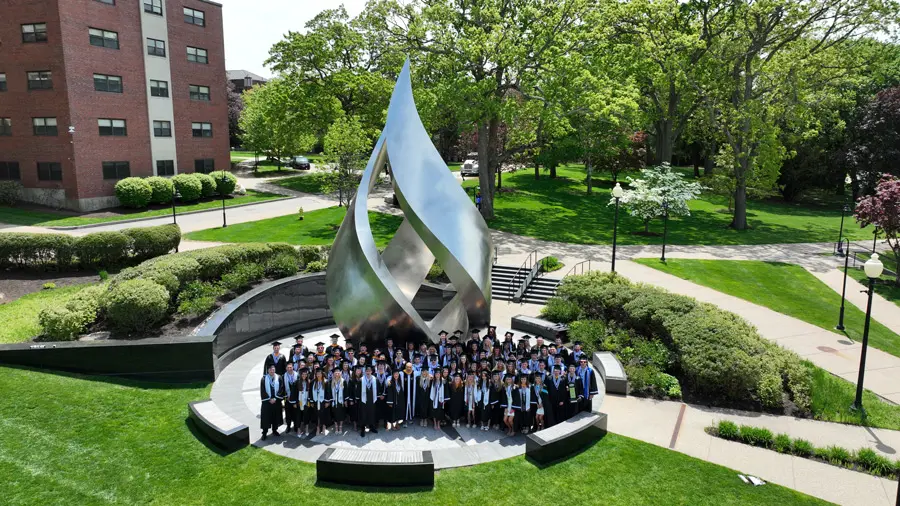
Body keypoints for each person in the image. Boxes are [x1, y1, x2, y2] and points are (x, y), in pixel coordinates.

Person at [259, 364, 283, 440]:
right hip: (267, 402)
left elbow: (281, 388)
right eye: (270, 370)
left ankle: (275, 430)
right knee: (266, 417)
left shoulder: (279, 377)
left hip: (276, 401)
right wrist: (269, 399)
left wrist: (275, 399)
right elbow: (262, 390)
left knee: (275, 416)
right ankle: (264, 433)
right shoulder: (264, 379)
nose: (272, 371)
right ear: (268, 370)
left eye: (273, 369)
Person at [356, 365, 378, 437]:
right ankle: (363, 429)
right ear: (365, 372)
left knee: (371, 413)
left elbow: (378, 389)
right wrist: (358, 399)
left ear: (371, 371)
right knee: (363, 414)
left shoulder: (375, 379)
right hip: (364, 400)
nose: (368, 372)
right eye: (367, 371)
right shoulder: (361, 380)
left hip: (372, 400)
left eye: (369, 371)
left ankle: (372, 427)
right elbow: (358, 390)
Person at [312, 369, 331, 435]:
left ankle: (323, 427)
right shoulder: (313, 382)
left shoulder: (325, 382)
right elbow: (310, 393)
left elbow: (328, 392)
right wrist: (311, 401)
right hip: (316, 401)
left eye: (319, 374)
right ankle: (317, 428)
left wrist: (327, 402)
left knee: (323, 415)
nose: (318, 375)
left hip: (323, 401)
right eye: (317, 374)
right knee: (316, 415)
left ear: (322, 374)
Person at [282, 362, 299, 434]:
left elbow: (299, 387)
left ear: (293, 367)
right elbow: (282, 388)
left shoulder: (297, 375)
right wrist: (286, 396)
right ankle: (288, 426)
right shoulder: (283, 376)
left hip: (295, 399)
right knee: (288, 413)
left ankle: (295, 426)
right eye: (288, 367)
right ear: (286, 368)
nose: (289, 369)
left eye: (290, 367)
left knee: (295, 413)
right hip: (287, 398)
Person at [330, 369, 347, 434]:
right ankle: (336, 427)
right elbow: (329, 392)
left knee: (341, 414)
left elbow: (345, 391)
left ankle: (340, 426)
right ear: (334, 374)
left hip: (341, 401)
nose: (337, 374)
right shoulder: (331, 382)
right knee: (335, 414)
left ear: (340, 373)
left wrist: (345, 400)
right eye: (335, 373)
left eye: (338, 372)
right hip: (334, 401)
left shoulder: (343, 381)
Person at [297, 368, 312, 437]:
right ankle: (299, 429)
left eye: (305, 374)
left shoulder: (309, 382)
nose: (304, 375)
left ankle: (306, 429)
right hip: (299, 402)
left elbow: (311, 392)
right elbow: (294, 393)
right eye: (303, 374)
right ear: (300, 374)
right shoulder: (297, 382)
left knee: (306, 416)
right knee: (298, 416)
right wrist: (294, 403)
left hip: (306, 402)